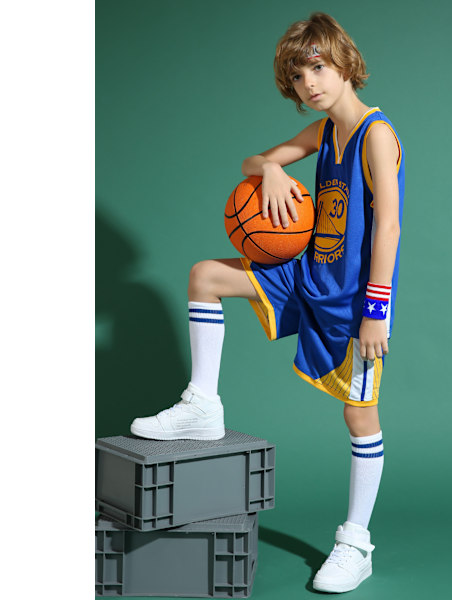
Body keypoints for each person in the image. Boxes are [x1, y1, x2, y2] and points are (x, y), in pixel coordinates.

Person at [130, 12, 405, 594]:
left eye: (318, 68)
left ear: (345, 64)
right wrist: (275, 170)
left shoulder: (376, 134)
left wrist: (376, 310)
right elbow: (251, 162)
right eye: (298, 76)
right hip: (307, 274)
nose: (309, 83)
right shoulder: (325, 132)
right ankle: (203, 406)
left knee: (359, 415)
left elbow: (389, 228)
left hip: (351, 300)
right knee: (205, 276)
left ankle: (356, 542)